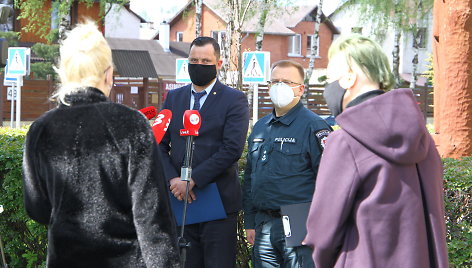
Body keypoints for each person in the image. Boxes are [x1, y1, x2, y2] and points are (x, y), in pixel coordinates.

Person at [22, 21, 179, 268]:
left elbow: (38, 209)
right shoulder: (131, 125)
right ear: (108, 74)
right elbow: (152, 219)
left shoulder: (40, 130)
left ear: (63, 72)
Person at [305, 35, 449, 267]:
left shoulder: (345, 141)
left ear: (349, 76)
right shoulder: (425, 140)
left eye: (329, 78)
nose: (327, 88)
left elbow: (323, 231)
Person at [159, 36, 249, 268]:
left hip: (217, 202)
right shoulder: (174, 98)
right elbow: (158, 143)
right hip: (181, 199)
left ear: (219, 64)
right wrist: (174, 180)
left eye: (206, 61)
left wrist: (193, 180)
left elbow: (232, 149)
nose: (198, 65)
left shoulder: (234, 99)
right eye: (194, 60)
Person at [243, 60, 332, 268]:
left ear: (300, 89)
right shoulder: (260, 127)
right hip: (264, 222)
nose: (279, 86)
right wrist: (249, 221)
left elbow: (330, 181)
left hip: (300, 220)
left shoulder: (314, 126)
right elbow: (249, 178)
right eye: (274, 82)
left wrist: (322, 227)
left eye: (286, 82)